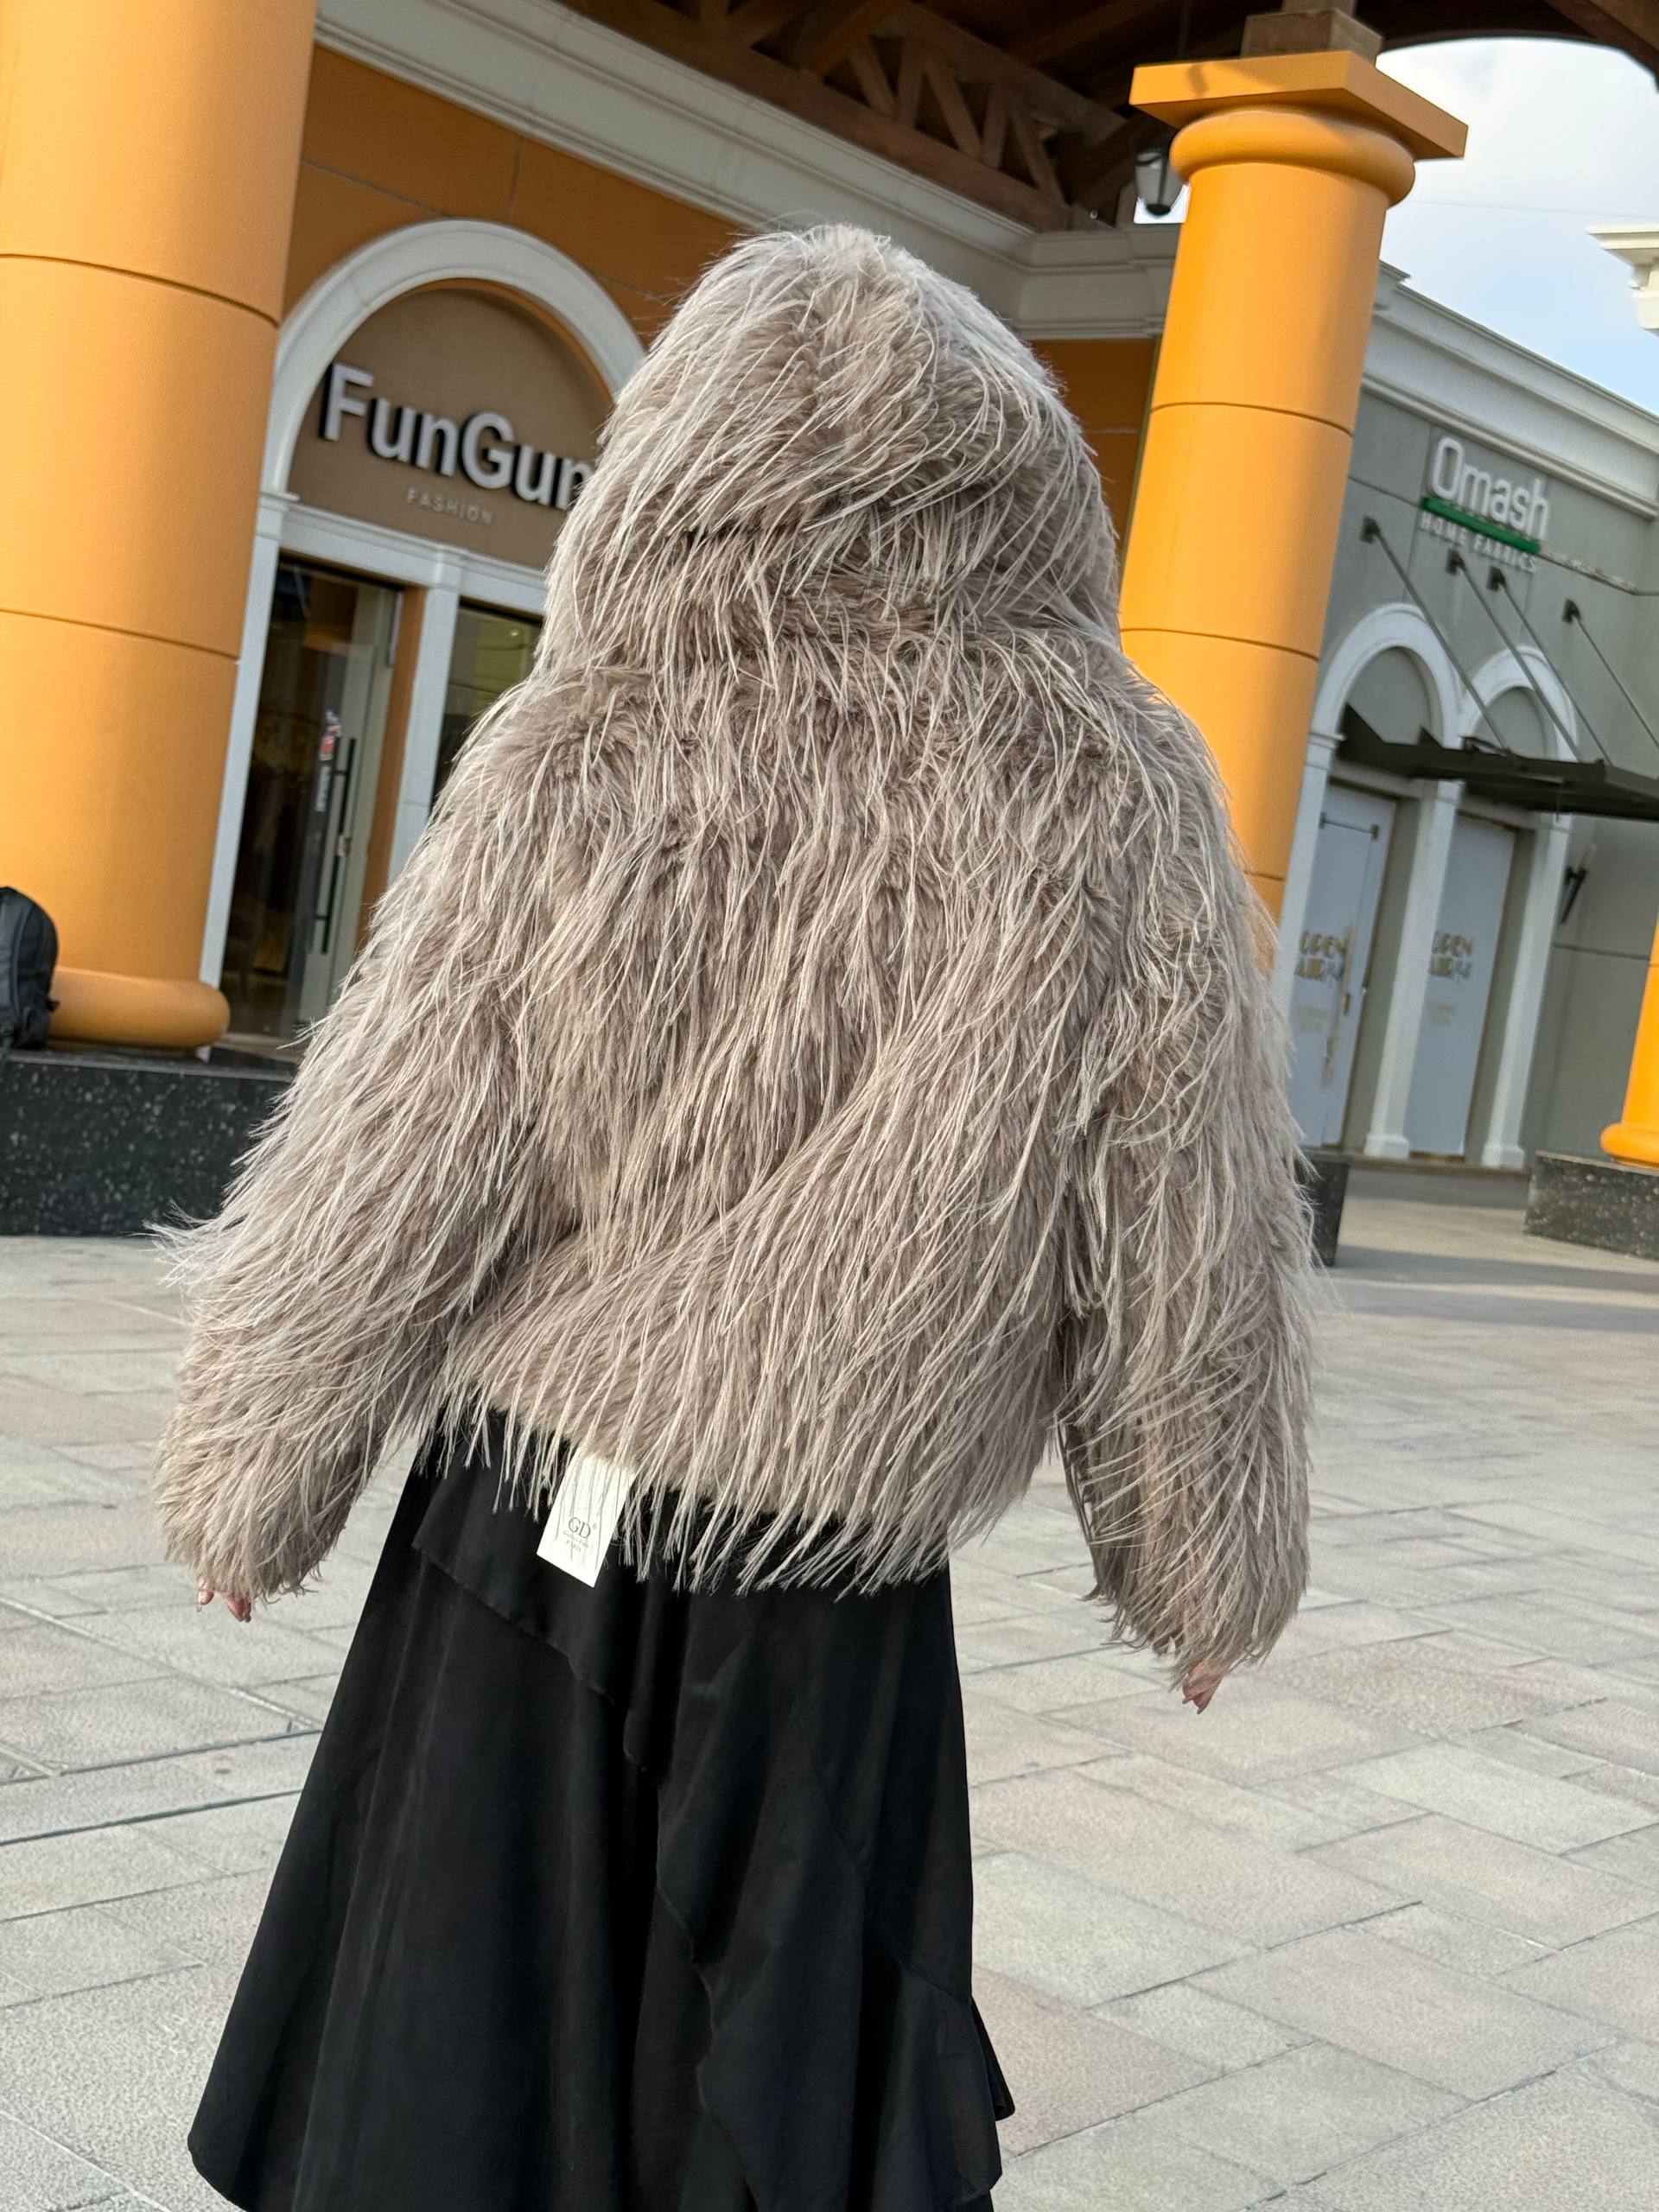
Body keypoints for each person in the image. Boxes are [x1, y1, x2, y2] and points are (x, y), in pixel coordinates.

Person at [154, 223, 1313, 2212]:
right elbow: (1180, 1220)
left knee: (463, 2067)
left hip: (530, 1524)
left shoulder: (583, 738)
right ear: (1020, 478)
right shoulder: (1115, 780)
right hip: (827, 1568)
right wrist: (1201, 1556)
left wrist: (259, 1460)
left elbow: (401, 1147)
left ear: (684, 450)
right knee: (773, 2099)